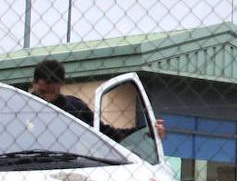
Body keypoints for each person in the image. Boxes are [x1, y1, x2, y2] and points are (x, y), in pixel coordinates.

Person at [29, 59, 164, 142]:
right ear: (34, 84)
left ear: (61, 85)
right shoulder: (21, 107)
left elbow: (106, 134)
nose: (48, 98)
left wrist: (147, 131)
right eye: (42, 92)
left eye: (52, 92)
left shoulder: (73, 108)